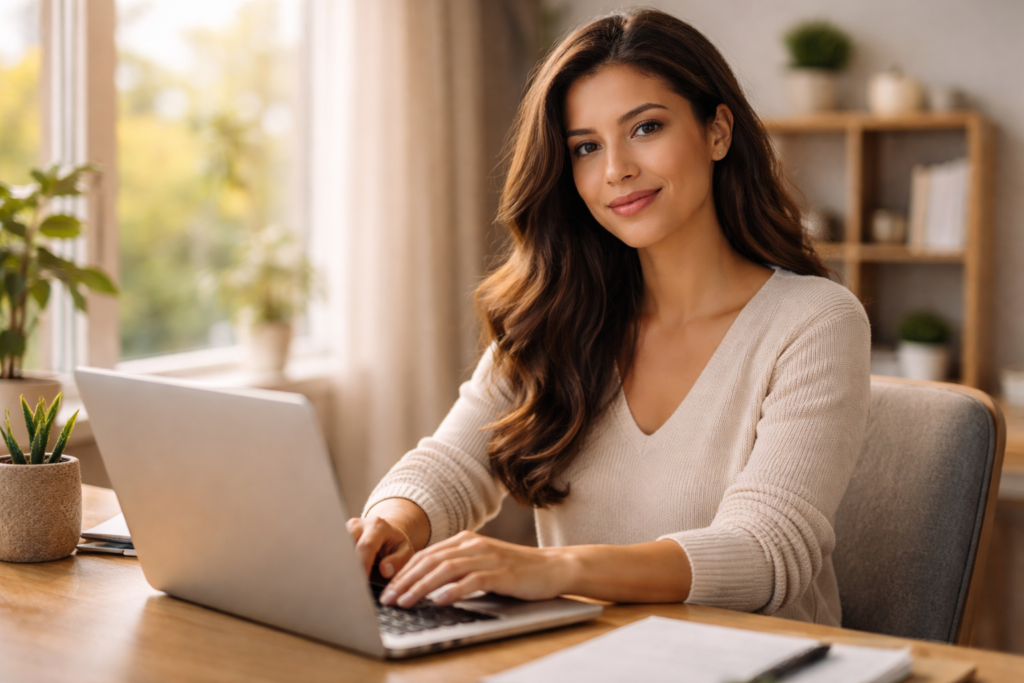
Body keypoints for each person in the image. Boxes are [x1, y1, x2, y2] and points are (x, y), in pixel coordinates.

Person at [346, 8, 870, 626]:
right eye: (586, 147)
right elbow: (454, 464)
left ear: (718, 132)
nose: (615, 169)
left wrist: (556, 569)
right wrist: (392, 523)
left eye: (645, 128)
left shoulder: (815, 322)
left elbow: (764, 552)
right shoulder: (557, 316)